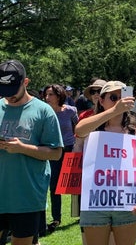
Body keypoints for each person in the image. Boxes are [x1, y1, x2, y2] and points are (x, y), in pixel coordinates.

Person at [0, 60, 64, 245]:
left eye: (13, 90)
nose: (9, 96)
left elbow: (56, 153)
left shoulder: (43, 111)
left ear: (25, 82)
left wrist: (22, 148)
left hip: (26, 197)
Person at [74, 81, 136, 245]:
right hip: (95, 202)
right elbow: (79, 130)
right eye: (113, 97)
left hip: (128, 203)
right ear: (101, 101)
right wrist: (115, 110)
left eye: (123, 97)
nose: (119, 101)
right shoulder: (93, 128)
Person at [43, 84, 79, 234]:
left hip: (69, 149)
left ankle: (81, 213)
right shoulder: (44, 112)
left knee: (74, 183)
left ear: (59, 96)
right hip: (53, 151)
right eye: (46, 94)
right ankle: (56, 218)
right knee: (54, 185)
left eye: (50, 94)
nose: (47, 97)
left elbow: (78, 128)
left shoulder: (70, 111)